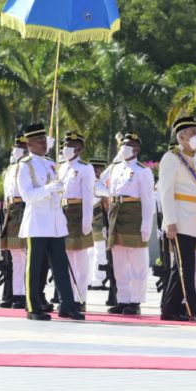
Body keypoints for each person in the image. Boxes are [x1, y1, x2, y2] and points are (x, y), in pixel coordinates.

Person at [17, 123, 84, 321]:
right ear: (29, 143)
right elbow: (27, 195)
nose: (43, 143)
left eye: (44, 140)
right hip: (37, 222)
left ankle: (67, 305)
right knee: (34, 267)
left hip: (55, 222)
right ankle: (33, 307)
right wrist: (48, 189)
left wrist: (58, 189)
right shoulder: (25, 165)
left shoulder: (50, 163)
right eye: (39, 140)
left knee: (61, 266)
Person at [158, 116, 196, 323]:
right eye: (192, 132)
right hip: (179, 219)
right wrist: (170, 221)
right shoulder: (171, 158)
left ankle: (169, 309)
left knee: (180, 266)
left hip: (195, 218)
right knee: (186, 267)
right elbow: (166, 192)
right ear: (181, 136)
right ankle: (194, 310)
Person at [96, 132, 155, 316]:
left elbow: (148, 202)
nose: (123, 147)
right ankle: (123, 299)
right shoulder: (114, 168)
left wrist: (146, 226)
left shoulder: (142, 171)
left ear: (136, 149)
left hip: (133, 215)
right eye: (122, 144)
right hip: (115, 214)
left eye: (127, 145)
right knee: (119, 262)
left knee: (137, 263)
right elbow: (98, 184)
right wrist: (110, 193)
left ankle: (135, 301)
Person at [59, 132, 95, 312]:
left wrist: (87, 222)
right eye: (65, 144)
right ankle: (68, 296)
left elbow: (88, 197)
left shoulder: (85, 168)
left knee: (80, 260)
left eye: (71, 145)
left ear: (79, 148)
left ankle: (81, 298)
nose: (66, 148)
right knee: (66, 260)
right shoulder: (61, 167)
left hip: (78, 213)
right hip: (62, 212)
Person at [0, 133, 28, 309]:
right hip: (10, 210)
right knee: (14, 255)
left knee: (22, 255)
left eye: (22, 147)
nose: (18, 150)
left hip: (22, 209)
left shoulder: (27, 167)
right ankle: (15, 293)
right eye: (16, 147)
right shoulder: (10, 168)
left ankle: (23, 294)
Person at [87, 157, 108, 289]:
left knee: (90, 251)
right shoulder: (97, 184)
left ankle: (90, 279)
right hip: (97, 220)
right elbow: (110, 193)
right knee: (99, 251)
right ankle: (97, 280)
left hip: (90, 219)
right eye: (99, 170)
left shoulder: (88, 182)